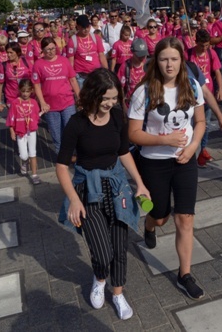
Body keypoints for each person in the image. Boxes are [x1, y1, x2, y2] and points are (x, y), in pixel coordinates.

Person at [56, 68, 149, 320]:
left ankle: (117, 293)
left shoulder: (118, 117)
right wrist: (73, 199)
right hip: (88, 189)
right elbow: (61, 165)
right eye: (105, 98)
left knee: (120, 247)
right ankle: (99, 278)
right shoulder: (77, 123)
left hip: (116, 185)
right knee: (101, 250)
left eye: (114, 98)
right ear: (92, 95)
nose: (110, 103)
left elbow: (123, 152)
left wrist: (139, 183)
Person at [128, 37, 206, 300]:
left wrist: (194, 145)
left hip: (185, 162)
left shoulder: (192, 85)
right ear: (156, 61)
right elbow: (133, 134)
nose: (169, 64)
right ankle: (149, 225)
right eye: (164, 59)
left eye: (174, 59)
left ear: (182, 60)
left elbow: (201, 120)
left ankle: (185, 274)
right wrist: (165, 139)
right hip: (154, 163)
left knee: (185, 219)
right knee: (160, 216)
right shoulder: (145, 91)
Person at [32, 37, 80, 153]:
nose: (51, 51)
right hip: (50, 106)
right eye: (47, 49)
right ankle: (61, 158)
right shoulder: (38, 64)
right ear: (42, 50)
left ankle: (73, 154)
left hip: (67, 102)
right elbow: (37, 85)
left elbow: (73, 80)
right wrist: (42, 102)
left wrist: (79, 96)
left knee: (70, 130)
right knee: (56, 134)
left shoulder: (64, 61)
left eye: (53, 48)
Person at [186, 29, 222, 167]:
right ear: (196, 42)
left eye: (207, 45)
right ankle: (192, 150)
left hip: (207, 95)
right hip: (192, 97)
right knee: (191, 125)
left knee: (205, 125)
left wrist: (220, 88)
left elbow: (217, 71)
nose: (205, 48)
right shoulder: (188, 54)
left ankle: (202, 150)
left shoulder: (211, 53)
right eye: (202, 45)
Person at [6, 79, 41, 184]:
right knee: (24, 155)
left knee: (32, 153)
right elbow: (11, 118)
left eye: (27, 91)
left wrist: (40, 114)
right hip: (20, 132)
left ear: (31, 91)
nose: (25, 94)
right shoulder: (15, 103)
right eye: (23, 91)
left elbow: (36, 116)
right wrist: (12, 131)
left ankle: (34, 175)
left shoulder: (34, 102)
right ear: (19, 90)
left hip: (31, 131)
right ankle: (25, 162)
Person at [67, 14, 108, 89]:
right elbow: (71, 61)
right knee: (84, 98)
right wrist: (71, 79)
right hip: (81, 77)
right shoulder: (73, 40)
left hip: (96, 75)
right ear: (78, 27)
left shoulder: (96, 38)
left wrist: (106, 71)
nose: (86, 29)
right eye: (83, 27)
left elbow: (101, 55)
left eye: (88, 27)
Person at [0, 42, 32, 111]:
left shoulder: (26, 62)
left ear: (17, 52)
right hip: (11, 98)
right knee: (15, 120)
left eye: (11, 52)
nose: (8, 55)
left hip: (26, 96)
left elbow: (33, 80)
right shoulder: (4, 65)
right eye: (7, 52)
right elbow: (0, 84)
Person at [117, 38, 149, 108]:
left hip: (146, 103)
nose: (142, 57)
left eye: (144, 54)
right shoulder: (125, 66)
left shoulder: (148, 65)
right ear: (132, 52)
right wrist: (123, 105)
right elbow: (120, 88)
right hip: (131, 104)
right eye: (139, 55)